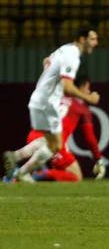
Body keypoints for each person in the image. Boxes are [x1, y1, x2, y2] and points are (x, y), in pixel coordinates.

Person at [3, 27, 100, 182]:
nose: (96, 43)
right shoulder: (73, 56)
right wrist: (90, 99)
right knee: (56, 145)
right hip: (49, 103)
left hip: (37, 99)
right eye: (93, 39)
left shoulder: (63, 49)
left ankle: (16, 160)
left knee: (48, 142)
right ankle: (20, 171)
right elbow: (68, 86)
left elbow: (46, 61)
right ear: (82, 39)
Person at [3, 75, 106, 182]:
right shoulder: (82, 108)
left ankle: (16, 163)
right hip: (55, 142)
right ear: (83, 87)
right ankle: (22, 176)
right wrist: (98, 159)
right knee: (76, 176)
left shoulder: (58, 96)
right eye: (88, 88)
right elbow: (89, 138)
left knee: (57, 165)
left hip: (36, 134)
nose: (89, 91)